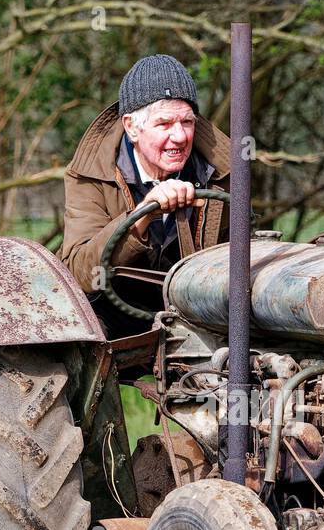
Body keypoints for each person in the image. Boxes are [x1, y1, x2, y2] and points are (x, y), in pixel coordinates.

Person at [60, 54, 231, 333]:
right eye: (164, 124)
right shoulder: (90, 173)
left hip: (199, 316)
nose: (179, 137)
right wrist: (142, 215)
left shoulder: (221, 173)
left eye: (187, 122)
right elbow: (79, 271)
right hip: (114, 313)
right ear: (131, 127)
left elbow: (235, 260)